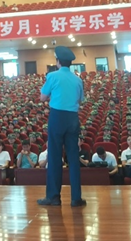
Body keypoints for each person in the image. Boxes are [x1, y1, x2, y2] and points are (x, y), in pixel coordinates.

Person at [36, 46, 85, 208]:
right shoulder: (78, 80)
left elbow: (42, 98)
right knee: (73, 157)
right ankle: (76, 198)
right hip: (72, 118)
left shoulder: (52, 76)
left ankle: (53, 197)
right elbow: (80, 101)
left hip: (57, 117)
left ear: (58, 62)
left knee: (55, 156)